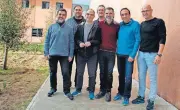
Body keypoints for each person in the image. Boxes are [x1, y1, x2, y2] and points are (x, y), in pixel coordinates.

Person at [132, 4, 166, 110]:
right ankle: (141, 96)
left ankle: (151, 100)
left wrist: (159, 54)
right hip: (141, 54)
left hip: (152, 55)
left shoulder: (159, 22)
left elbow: (162, 38)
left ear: (151, 10)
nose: (144, 13)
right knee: (141, 77)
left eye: (146, 10)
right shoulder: (142, 24)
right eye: (143, 11)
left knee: (152, 78)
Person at [44, 8, 74, 100]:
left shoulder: (69, 28)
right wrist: (46, 53)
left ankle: (67, 91)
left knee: (66, 73)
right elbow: (47, 41)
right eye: (60, 14)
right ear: (57, 15)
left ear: (66, 16)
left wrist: (71, 55)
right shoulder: (51, 27)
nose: (61, 16)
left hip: (65, 55)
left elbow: (72, 42)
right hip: (52, 54)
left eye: (63, 14)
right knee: (53, 72)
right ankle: (53, 88)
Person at [71, 9, 101, 100]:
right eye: (87, 14)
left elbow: (99, 41)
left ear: (94, 16)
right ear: (85, 15)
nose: (89, 16)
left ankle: (91, 91)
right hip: (81, 54)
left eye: (91, 14)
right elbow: (76, 38)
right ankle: (78, 89)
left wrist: (91, 42)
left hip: (92, 54)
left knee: (92, 74)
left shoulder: (97, 28)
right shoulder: (79, 26)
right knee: (79, 73)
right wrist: (79, 42)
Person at [114, 8, 140, 106]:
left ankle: (126, 96)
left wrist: (132, 55)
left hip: (129, 56)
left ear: (129, 14)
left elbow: (138, 40)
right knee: (121, 75)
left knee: (128, 77)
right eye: (122, 14)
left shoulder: (136, 25)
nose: (124, 16)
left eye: (126, 14)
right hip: (119, 54)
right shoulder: (119, 25)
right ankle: (120, 93)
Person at [95, 7, 119, 102]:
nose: (108, 15)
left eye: (110, 13)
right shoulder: (99, 24)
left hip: (111, 53)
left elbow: (118, 38)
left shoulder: (117, 26)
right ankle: (102, 90)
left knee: (109, 73)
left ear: (113, 14)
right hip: (101, 51)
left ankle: (108, 91)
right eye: (107, 13)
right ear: (105, 14)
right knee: (102, 72)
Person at [86, 4, 105, 91]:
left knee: (103, 70)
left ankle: (102, 88)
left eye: (102, 10)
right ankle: (92, 85)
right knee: (93, 69)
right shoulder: (94, 23)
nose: (101, 11)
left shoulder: (108, 22)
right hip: (95, 50)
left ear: (104, 12)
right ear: (97, 12)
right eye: (99, 10)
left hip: (105, 50)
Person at [66, 5, 86, 88]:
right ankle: (67, 84)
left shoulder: (86, 21)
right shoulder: (68, 21)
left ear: (82, 11)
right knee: (68, 67)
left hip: (81, 49)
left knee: (79, 68)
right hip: (70, 48)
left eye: (79, 10)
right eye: (76, 10)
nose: (78, 11)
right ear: (74, 11)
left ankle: (77, 84)